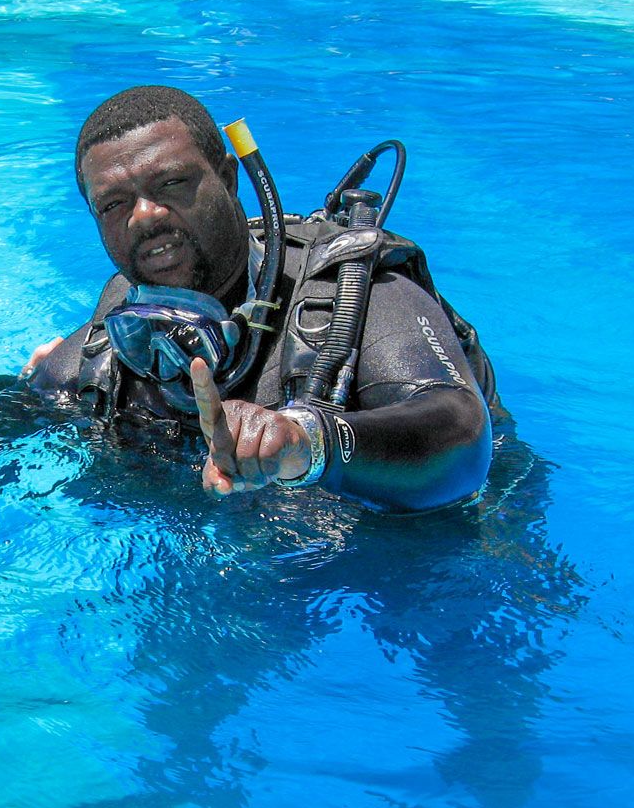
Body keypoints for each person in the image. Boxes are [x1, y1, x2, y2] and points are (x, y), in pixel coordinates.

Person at [27, 85, 498, 512]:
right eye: (113, 204)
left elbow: (462, 440)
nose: (145, 216)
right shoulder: (105, 350)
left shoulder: (351, 292)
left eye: (171, 183)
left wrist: (304, 442)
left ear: (228, 179)